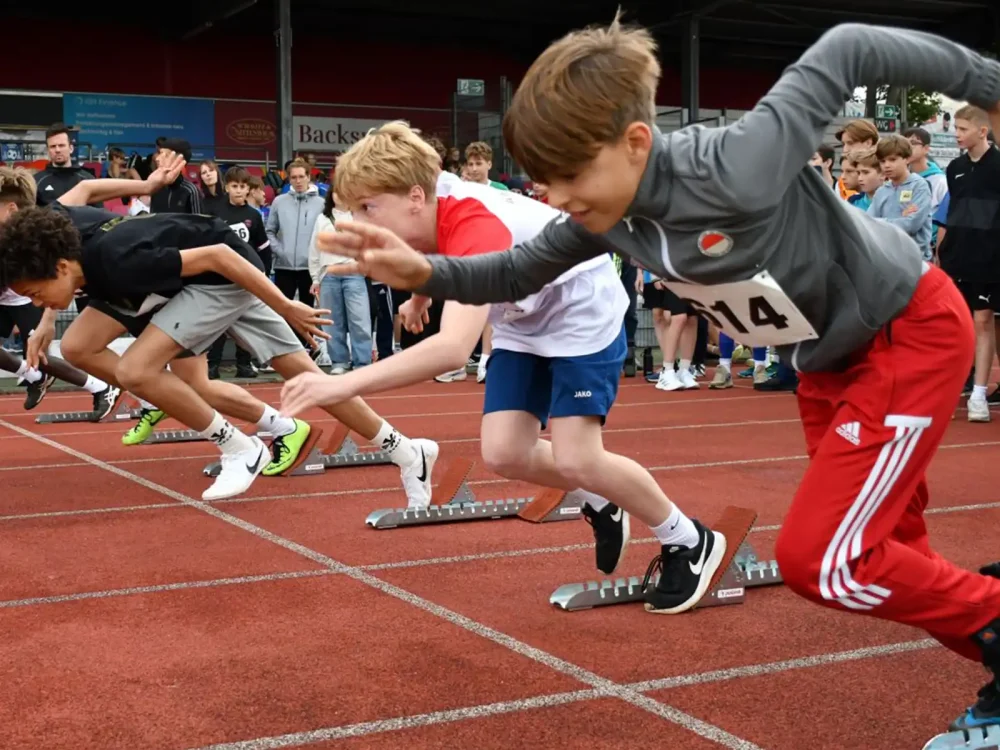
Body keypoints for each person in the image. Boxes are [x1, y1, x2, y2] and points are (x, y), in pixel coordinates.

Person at [305, 18, 1000, 732]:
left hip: (903, 334)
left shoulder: (737, 160)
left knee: (825, 559)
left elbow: (851, 45)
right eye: (546, 180)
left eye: (570, 177)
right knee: (890, 560)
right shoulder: (601, 213)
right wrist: (423, 271)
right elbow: (513, 269)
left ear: (635, 144)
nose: (557, 197)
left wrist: (990, 88)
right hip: (825, 363)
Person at [279, 121, 725, 614]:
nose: (363, 223)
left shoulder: (476, 225)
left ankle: (689, 539)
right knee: (505, 452)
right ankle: (602, 497)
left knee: (580, 458)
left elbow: (451, 350)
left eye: (368, 209)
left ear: (412, 196)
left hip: (578, 311)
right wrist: (421, 294)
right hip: (520, 315)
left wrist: (336, 385)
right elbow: (430, 242)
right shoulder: (427, 193)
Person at [0, 181, 438, 506]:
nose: (36, 303)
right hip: (176, 286)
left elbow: (219, 257)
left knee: (138, 370)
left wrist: (288, 306)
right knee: (79, 347)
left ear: (59, 267)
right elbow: (83, 193)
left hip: (224, 275)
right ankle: (409, 451)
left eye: (36, 294)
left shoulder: (117, 259)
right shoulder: (58, 229)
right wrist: (46, 320)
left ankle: (239, 448)